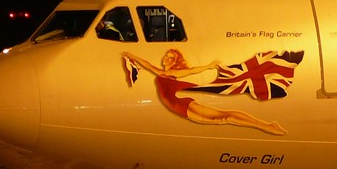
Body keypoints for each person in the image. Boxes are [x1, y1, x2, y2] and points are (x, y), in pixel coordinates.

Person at [122, 49, 287, 135]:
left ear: (175, 62)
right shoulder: (161, 72)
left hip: (183, 105)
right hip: (180, 109)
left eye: (170, 57)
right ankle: (265, 125)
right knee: (221, 119)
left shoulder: (175, 73)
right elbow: (148, 65)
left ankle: (266, 125)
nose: (166, 58)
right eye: (166, 55)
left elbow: (193, 70)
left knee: (225, 117)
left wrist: (208, 66)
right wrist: (132, 56)